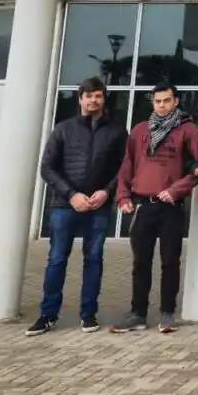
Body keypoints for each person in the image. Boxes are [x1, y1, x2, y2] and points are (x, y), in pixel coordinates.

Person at [28, 77, 127, 336]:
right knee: (57, 259)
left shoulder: (117, 132)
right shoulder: (63, 129)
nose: (93, 100)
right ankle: (48, 315)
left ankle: (88, 315)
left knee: (93, 259)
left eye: (98, 95)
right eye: (88, 95)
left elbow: (125, 169)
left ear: (104, 99)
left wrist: (107, 192)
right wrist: (71, 195)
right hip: (64, 206)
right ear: (80, 98)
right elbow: (47, 168)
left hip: (99, 206)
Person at [111, 82, 198, 334]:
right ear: (153, 103)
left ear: (176, 101)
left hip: (170, 207)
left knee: (170, 262)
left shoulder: (187, 130)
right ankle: (138, 314)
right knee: (140, 263)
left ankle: (167, 314)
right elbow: (126, 166)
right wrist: (123, 197)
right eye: (158, 101)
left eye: (167, 100)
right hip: (143, 205)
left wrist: (177, 189)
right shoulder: (139, 130)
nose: (162, 105)